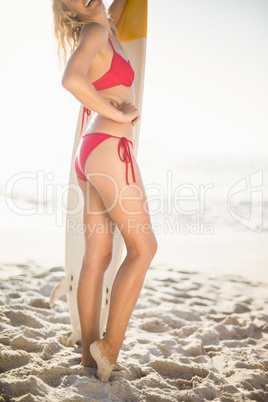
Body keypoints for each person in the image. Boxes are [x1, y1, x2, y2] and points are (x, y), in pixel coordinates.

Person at [52, 0, 157, 382]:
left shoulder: (106, 24)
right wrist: (118, 114)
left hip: (92, 149)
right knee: (144, 248)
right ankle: (108, 347)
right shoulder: (95, 32)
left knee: (97, 256)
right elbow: (71, 79)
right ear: (71, 10)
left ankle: (87, 357)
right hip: (110, 147)